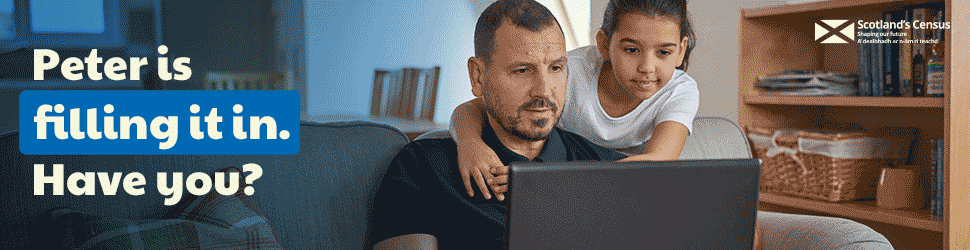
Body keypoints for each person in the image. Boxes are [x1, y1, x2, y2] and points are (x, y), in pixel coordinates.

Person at [368, 0, 626, 249]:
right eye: (522, 70)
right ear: (478, 76)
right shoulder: (422, 167)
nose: (544, 91)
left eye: (556, 68)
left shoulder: (607, 169)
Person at [451, 0, 699, 202]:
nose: (647, 67)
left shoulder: (679, 91)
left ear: (680, 50)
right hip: (561, 180)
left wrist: (544, 180)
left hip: (606, 187)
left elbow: (660, 161)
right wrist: (469, 142)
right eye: (631, 50)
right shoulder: (568, 72)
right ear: (603, 44)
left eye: (664, 52)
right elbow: (475, 106)